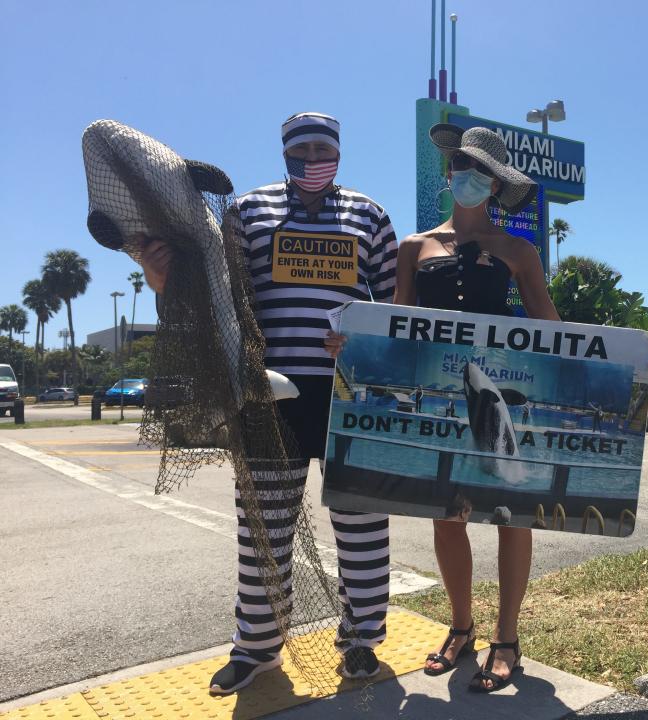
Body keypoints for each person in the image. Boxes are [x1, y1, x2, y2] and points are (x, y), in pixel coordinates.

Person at [138, 112, 397, 695]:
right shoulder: (247, 212)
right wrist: (162, 282)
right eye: (300, 148)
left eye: (322, 148)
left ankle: (362, 640)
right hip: (266, 392)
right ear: (283, 151)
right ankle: (256, 649)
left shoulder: (371, 215)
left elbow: (391, 302)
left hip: (351, 395)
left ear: (338, 151)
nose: (312, 158)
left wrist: (368, 336)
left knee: (362, 525)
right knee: (263, 528)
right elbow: (219, 294)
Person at [396, 124, 560, 692]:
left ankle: (507, 637)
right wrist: (353, 348)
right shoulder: (413, 248)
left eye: (481, 172)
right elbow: (397, 327)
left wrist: (620, 365)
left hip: (499, 393)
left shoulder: (519, 251)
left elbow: (549, 323)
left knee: (511, 511)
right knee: (447, 512)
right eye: (462, 167)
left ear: (495, 184)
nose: (470, 178)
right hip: (440, 399)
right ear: (448, 176)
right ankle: (460, 627)